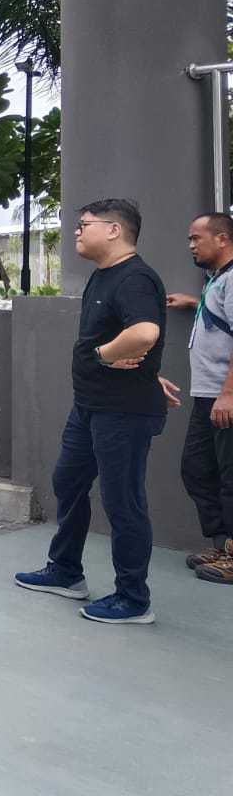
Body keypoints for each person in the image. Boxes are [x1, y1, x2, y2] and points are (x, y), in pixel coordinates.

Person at [15, 198, 173, 625]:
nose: (77, 232)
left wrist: (103, 355)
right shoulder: (105, 275)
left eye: (84, 225)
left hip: (122, 413)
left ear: (114, 230)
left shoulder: (135, 277)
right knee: (68, 481)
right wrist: (149, 373)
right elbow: (132, 336)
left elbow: (145, 332)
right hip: (90, 407)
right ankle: (66, 571)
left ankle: (133, 599)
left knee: (123, 502)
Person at [164, 212, 233, 582]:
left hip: (225, 397)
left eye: (196, 238)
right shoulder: (218, 280)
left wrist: (229, 394)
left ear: (222, 239)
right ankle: (223, 544)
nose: (191, 245)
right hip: (208, 395)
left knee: (230, 476)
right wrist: (195, 303)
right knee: (197, 468)